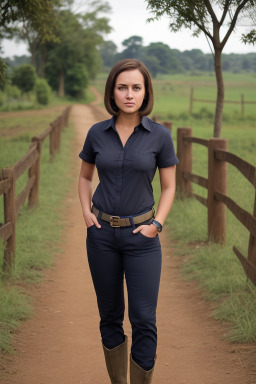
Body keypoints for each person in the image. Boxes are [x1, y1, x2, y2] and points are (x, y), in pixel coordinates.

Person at [78, 59, 179, 384]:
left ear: (146, 91)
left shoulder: (159, 136)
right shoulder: (97, 133)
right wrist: (85, 210)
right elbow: (84, 178)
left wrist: (157, 224)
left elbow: (169, 186)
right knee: (109, 317)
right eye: (122, 87)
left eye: (136, 87)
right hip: (102, 236)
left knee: (144, 319)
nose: (129, 94)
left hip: (143, 239)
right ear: (112, 91)